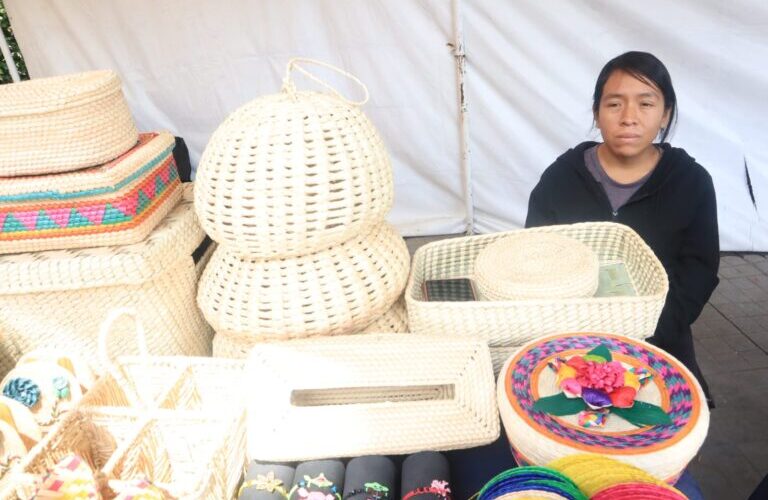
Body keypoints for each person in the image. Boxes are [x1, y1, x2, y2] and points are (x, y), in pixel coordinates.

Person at [525, 51, 719, 406]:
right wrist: (571, 332)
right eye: (614, 104)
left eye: (646, 104)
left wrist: (647, 329)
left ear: (665, 115)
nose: (629, 118)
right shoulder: (561, 178)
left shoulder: (691, 182)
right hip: (571, 342)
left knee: (662, 435)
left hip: (658, 340)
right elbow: (536, 256)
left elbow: (700, 270)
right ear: (597, 113)